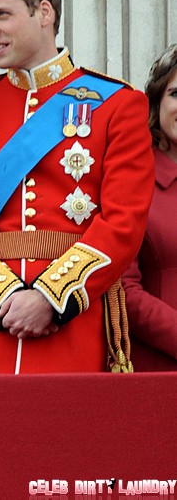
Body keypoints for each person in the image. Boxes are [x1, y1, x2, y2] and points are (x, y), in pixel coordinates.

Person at [0, 0, 155, 374]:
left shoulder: (119, 106)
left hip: (73, 324)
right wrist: (1, 300)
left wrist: (51, 298)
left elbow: (123, 222)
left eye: (2, 15)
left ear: (44, 12)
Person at [122, 44, 177, 371]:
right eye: (176, 94)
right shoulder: (135, 180)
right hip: (160, 368)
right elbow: (123, 291)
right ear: (157, 103)